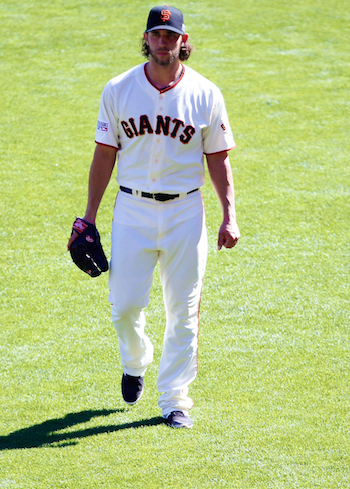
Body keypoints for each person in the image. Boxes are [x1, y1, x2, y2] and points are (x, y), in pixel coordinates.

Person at [67, 5, 240, 429]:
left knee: (183, 310)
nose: (163, 43)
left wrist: (229, 215)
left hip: (186, 211)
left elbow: (218, 158)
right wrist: (88, 216)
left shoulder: (206, 93)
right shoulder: (119, 88)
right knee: (124, 306)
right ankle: (135, 360)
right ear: (146, 39)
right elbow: (104, 153)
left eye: (171, 36)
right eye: (156, 35)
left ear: (184, 41)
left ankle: (175, 399)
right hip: (133, 210)